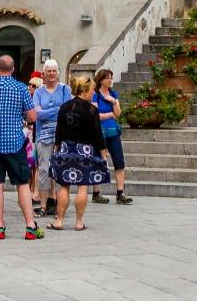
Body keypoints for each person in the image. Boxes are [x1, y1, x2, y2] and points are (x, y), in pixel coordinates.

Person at [0, 55, 43, 240]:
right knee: (22, 184)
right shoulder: (21, 88)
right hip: (15, 143)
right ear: (13, 69)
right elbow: (32, 116)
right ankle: (30, 226)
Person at [51, 75, 110, 230]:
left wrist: (56, 148)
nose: (93, 94)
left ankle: (59, 221)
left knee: (63, 186)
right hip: (84, 151)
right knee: (82, 187)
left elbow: (59, 131)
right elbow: (98, 134)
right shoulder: (92, 110)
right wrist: (103, 152)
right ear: (84, 91)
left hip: (65, 148)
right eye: (91, 91)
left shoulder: (65, 107)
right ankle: (78, 222)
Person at [89, 68, 133, 206]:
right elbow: (95, 115)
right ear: (101, 80)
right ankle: (96, 193)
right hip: (99, 133)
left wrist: (114, 102)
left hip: (113, 132)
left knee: (119, 161)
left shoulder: (113, 94)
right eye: (108, 78)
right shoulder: (95, 95)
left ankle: (120, 193)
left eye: (111, 78)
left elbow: (118, 113)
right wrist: (110, 114)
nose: (110, 80)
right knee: (98, 161)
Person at [31, 62, 69, 216]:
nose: (52, 73)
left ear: (58, 73)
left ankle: (59, 204)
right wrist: (57, 109)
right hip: (43, 135)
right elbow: (37, 114)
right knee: (44, 169)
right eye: (49, 71)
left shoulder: (65, 89)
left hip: (62, 135)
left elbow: (66, 111)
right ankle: (43, 204)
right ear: (44, 74)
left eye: (54, 71)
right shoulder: (39, 92)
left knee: (60, 169)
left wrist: (47, 111)